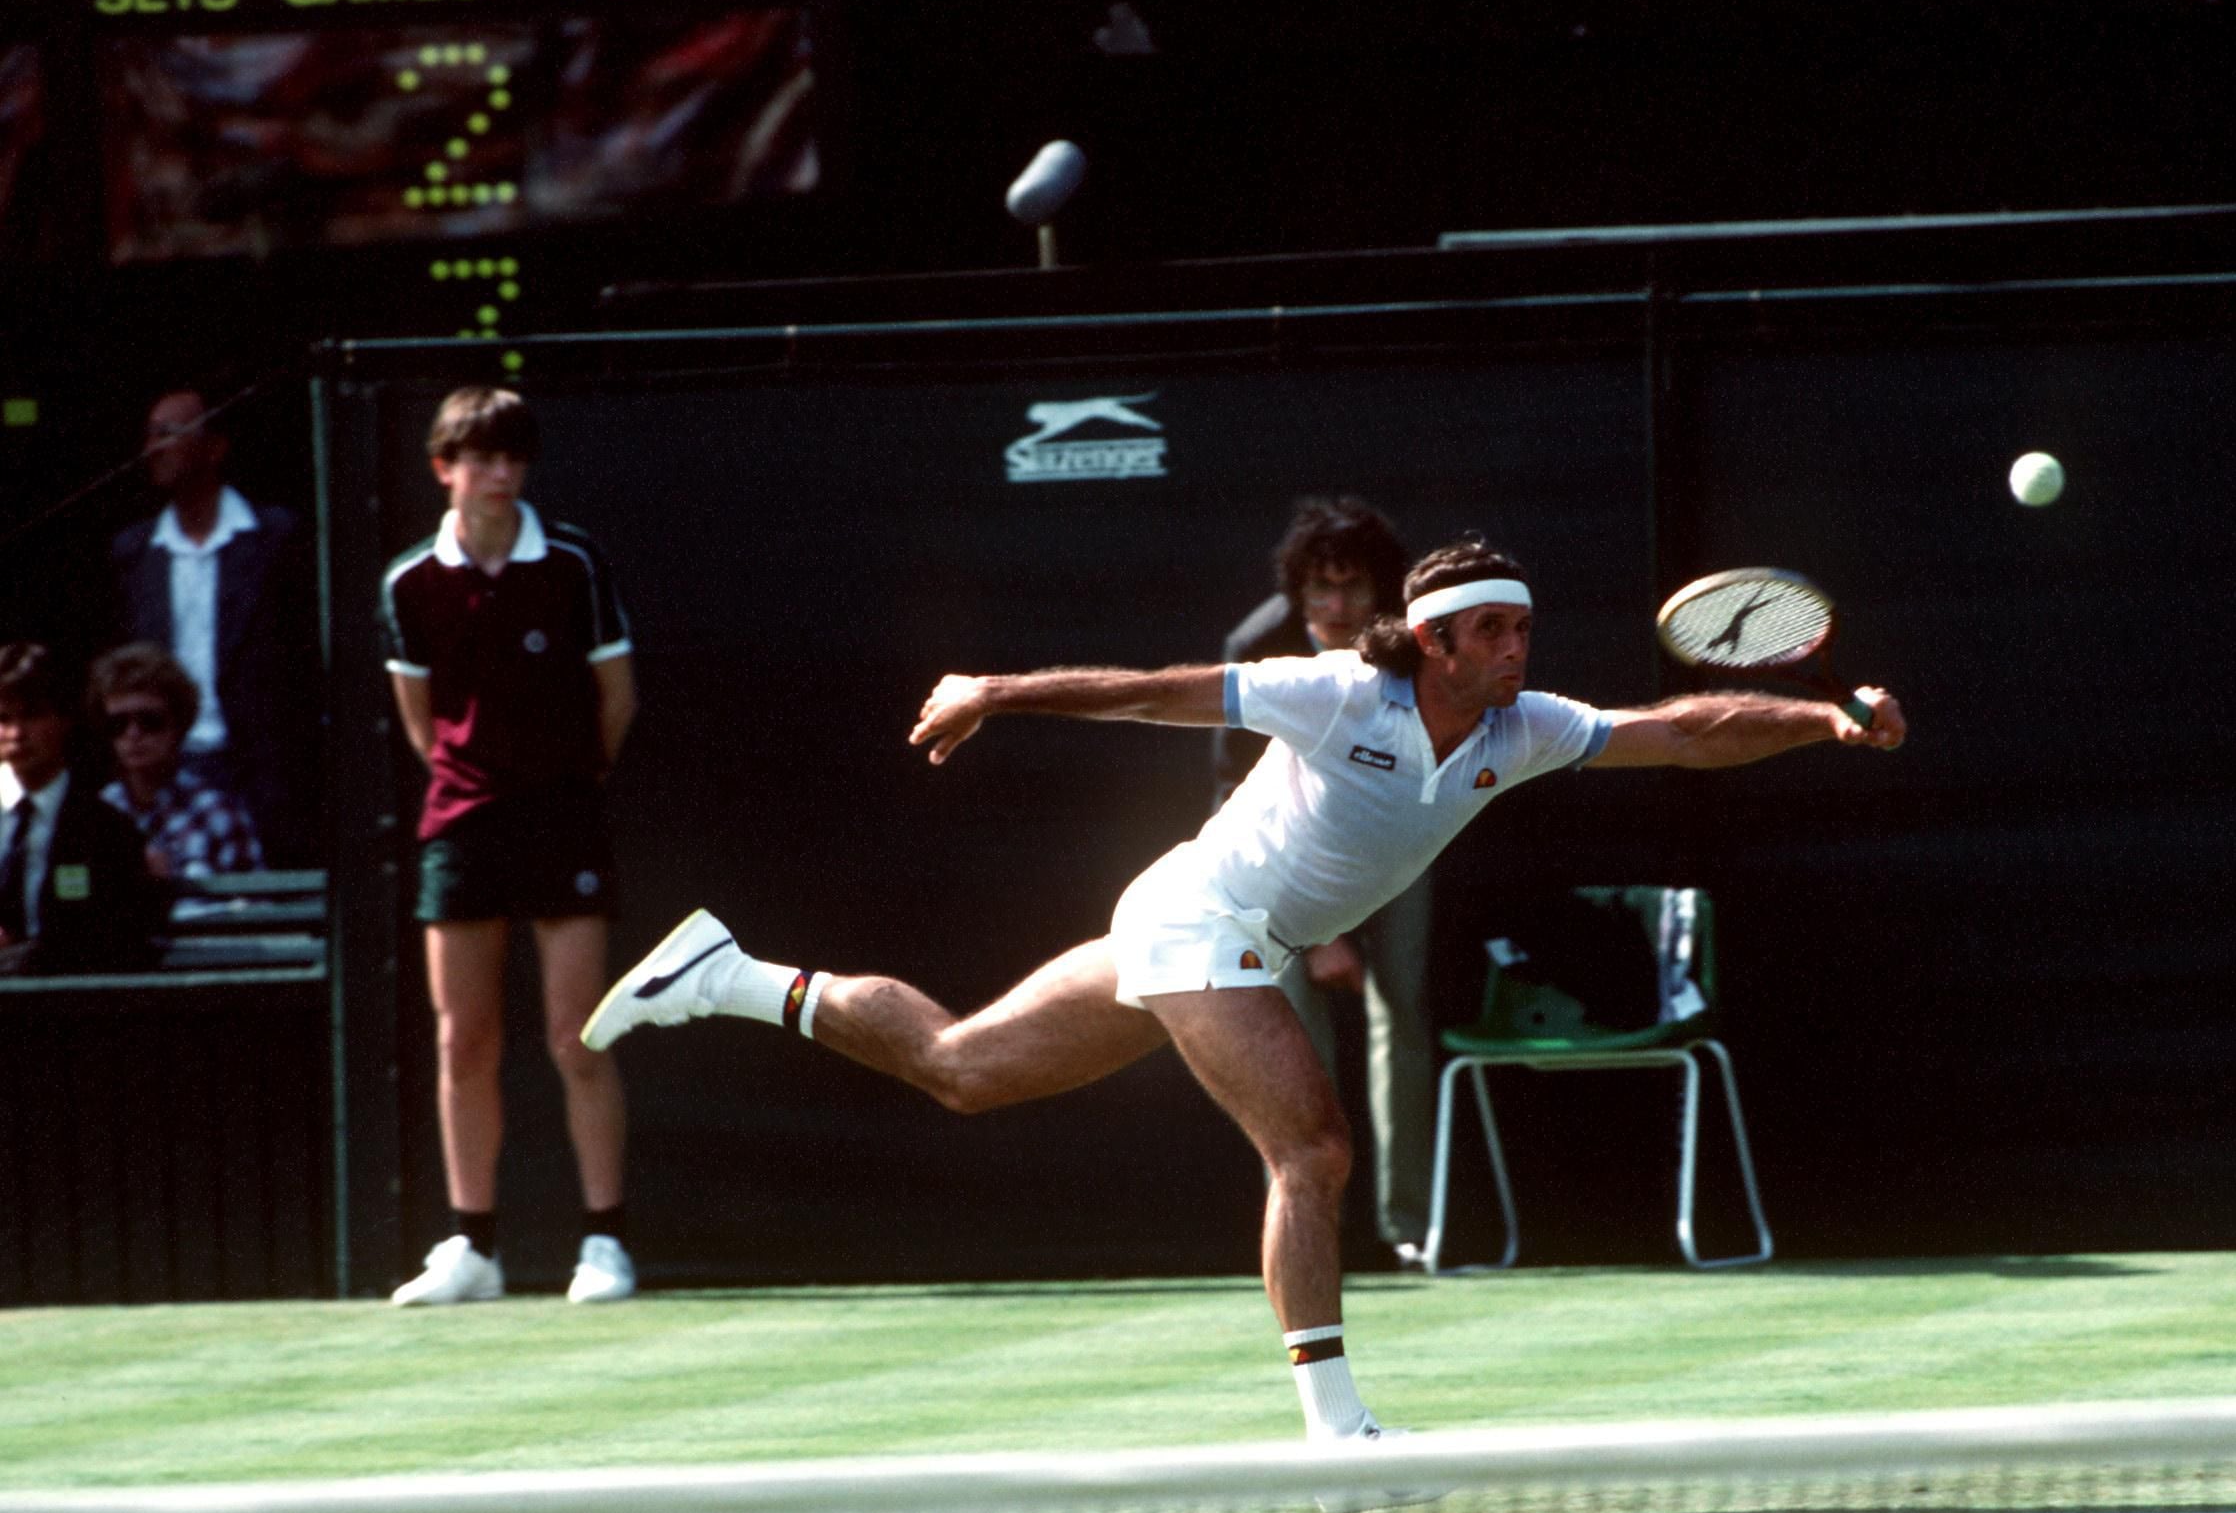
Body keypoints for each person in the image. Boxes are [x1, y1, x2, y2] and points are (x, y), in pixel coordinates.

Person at [583, 536, 1905, 1443]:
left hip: (1214, 931)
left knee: (964, 1066)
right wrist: (997, 689)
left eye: (1523, 630)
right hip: (1201, 914)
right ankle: (1337, 1428)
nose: (1518, 648)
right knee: (1313, 1146)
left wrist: (1823, 721)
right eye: (1493, 630)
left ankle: (732, 974)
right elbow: (1159, 695)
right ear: (1434, 638)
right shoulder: (1339, 691)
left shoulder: (1525, 727)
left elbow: (1679, 731)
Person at [379, 387, 641, 1307]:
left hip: (564, 814)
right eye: (479, 458)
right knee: (464, 1042)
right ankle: (473, 1248)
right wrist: (476, 781)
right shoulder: (409, 583)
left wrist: (567, 778)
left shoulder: (571, 564)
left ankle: (604, 1243)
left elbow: (617, 700)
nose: (498, 475)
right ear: (443, 468)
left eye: (512, 458)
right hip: (460, 823)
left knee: (579, 1036)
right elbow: (423, 722)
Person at [1217, 497, 1438, 1269]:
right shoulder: (1258, 647)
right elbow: (1230, 781)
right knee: (1290, 1049)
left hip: (1398, 849)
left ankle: (1408, 1229)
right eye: (1322, 589)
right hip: (1278, 869)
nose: (1339, 606)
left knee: (1403, 1015)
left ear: (1383, 592)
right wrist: (1325, 934)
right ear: (1298, 592)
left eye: (1354, 587)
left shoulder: (1414, 644)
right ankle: (1318, 1230)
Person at [110, 389, 311, 864]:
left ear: (215, 447)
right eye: (150, 435)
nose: (153, 448)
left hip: (261, 771)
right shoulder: (135, 552)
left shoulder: (274, 539)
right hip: (164, 766)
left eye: (169, 433)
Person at [0, 642, 166, 976]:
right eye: (3, 719)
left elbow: (119, 946)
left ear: (64, 720)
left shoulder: (108, 833)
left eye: (32, 716)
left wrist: (28, 960)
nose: (16, 734)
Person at [90, 642, 265, 878]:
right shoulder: (96, 817)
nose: (133, 734)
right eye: (118, 724)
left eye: (149, 721)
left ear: (179, 726)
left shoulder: (217, 814)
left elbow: (254, 910)